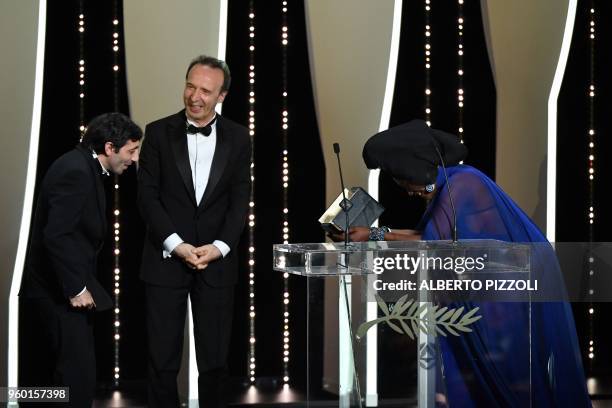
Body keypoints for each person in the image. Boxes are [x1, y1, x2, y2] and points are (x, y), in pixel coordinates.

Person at [336, 120, 591, 407]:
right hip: (487, 292)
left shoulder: (462, 184)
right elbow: (433, 236)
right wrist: (372, 234)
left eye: (407, 184)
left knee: (508, 378)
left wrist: (374, 235)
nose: (410, 193)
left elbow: (434, 242)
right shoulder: (452, 182)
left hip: (507, 296)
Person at [138, 55, 250, 407]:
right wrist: (177, 245)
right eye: (190, 86)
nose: (194, 96)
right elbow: (147, 198)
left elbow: (239, 201)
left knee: (215, 363)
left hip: (216, 263)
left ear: (221, 96)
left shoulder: (238, 137)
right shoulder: (157, 132)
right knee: (161, 361)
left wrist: (219, 247)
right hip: (165, 260)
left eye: (205, 90)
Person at [19, 112, 142, 407]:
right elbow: (57, 235)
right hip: (57, 292)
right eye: (131, 151)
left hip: (60, 290)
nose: (135, 159)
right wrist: (75, 288)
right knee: (76, 378)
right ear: (110, 147)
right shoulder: (75, 170)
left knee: (74, 376)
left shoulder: (82, 165)